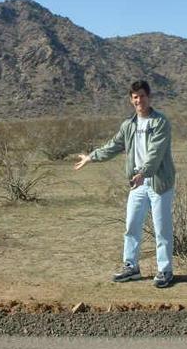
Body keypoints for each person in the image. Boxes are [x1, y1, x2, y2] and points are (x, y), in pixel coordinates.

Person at [74, 80, 176, 288]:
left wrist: (143, 173)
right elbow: (114, 145)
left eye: (142, 96)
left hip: (158, 182)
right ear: (131, 100)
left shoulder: (160, 122)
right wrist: (91, 157)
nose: (139, 100)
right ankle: (131, 267)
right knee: (132, 225)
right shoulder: (128, 125)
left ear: (149, 97)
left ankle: (165, 270)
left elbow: (156, 153)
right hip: (138, 184)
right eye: (135, 97)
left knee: (162, 229)